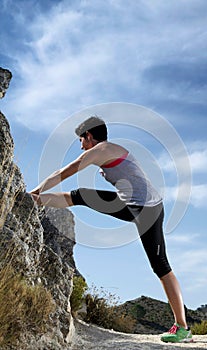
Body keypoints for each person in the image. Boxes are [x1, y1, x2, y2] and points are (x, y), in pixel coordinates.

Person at [30, 116, 193, 343]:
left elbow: (64, 172)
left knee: (161, 266)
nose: (81, 146)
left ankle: (182, 327)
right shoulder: (107, 150)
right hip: (128, 204)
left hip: (148, 211)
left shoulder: (101, 149)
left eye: (81, 140)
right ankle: (35, 201)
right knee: (79, 196)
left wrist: (37, 188)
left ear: (89, 136)